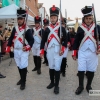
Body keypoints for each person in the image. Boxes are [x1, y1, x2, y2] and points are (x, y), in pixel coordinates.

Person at [72, 6, 100, 95]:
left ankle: (89, 85)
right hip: (82, 52)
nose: (88, 20)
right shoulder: (80, 28)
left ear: (92, 18)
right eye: (87, 18)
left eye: (90, 18)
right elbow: (76, 41)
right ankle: (80, 86)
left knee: (91, 69)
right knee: (81, 69)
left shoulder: (97, 27)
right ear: (84, 19)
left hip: (93, 52)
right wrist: (74, 52)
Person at [40, 5, 67, 94]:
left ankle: (56, 85)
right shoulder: (47, 29)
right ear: (50, 18)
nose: (53, 19)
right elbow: (43, 41)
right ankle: (52, 82)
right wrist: (41, 51)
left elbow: (66, 40)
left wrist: (63, 48)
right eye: (52, 17)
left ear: (57, 18)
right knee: (51, 67)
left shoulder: (61, 28)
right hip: (50, 50)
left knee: (57, 67)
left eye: (54, 17)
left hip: (58, 50)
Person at [6, 8, 34, 90]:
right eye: (18, 19)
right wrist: (8, 47)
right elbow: (11, 38)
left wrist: (27, 47)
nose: (20, 20)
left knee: (23, 66)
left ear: (24, 19)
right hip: (16, 50)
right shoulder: (15, 28)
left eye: (21, 19)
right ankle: (22, 78)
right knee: (18, 65)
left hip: (23, 50)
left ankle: (23, 82)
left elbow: (31, 40)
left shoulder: (27, 29)